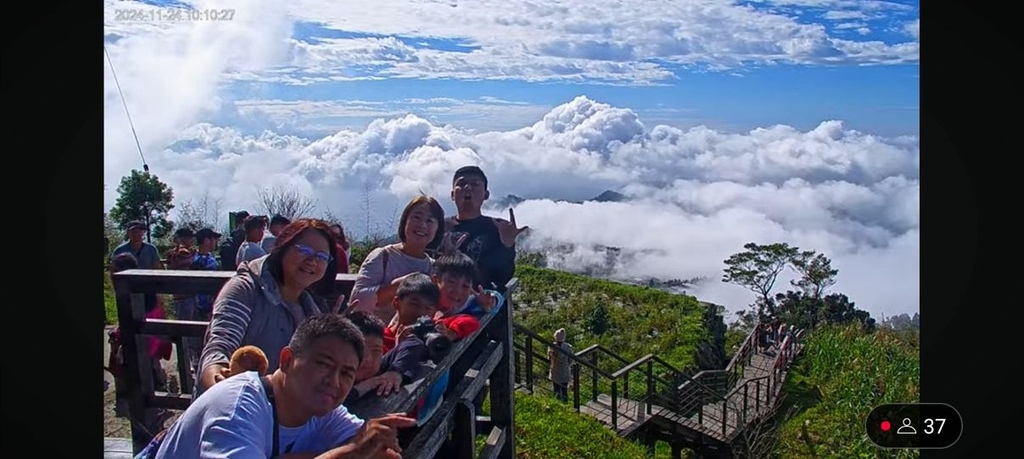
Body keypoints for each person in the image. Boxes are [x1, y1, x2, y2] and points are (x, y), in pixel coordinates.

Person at [145, 314, 417, 458]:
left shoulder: (324, 410)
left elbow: (381, 454)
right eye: (323, 364)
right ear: (286, 360)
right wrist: (351, 452)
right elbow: (359, 450)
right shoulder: (238, 407)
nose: (334, 381)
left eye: (347, 373)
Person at [196, 218, 339, 395]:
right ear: (283, 247)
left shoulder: (312, 306)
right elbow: (219, 345)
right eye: (304, 250)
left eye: (322, 256)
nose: (312, 260)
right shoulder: (245, 288)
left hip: (285, 412)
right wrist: (219, 382)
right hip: (237, 406)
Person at [348, 195, 445, 324]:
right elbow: (357, 301)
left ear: (438, 229)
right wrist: (400, 285)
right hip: (374, 338)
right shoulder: (382, 256)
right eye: (416, 217)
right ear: (405, 221)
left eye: (430, 221)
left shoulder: (435, 268)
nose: (422, 225)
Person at [446, 166, 528, 293]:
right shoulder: (440, 227)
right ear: (452, 194)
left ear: (486, 194)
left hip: (480, 303)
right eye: (461, 184)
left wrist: (508, 246)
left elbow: (502, 278)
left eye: (475, 184)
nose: (468, 188)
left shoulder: (496, 228)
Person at [549, 328, 573, 403]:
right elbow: (570, 360)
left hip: (555, 371)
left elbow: (549, 358)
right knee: (564, 390)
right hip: (564, 371)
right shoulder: (568, 347)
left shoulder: (552, 347)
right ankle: (565, 404)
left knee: (556, 389)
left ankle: (556, 403)